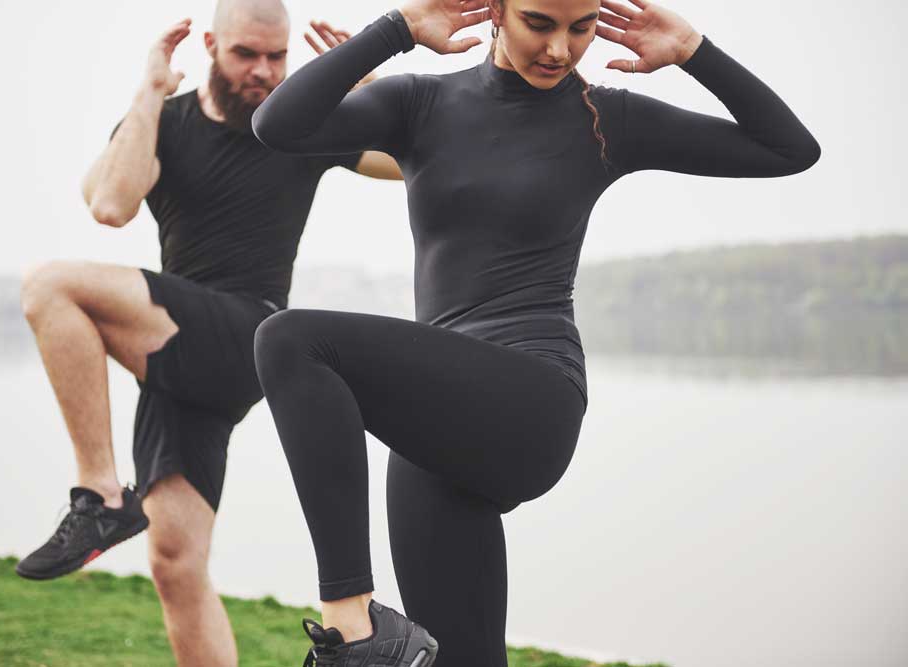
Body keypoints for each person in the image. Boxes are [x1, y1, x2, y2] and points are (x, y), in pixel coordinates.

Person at [250, 0, 820, 665]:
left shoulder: (608, 120)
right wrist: (396, 31)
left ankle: (351, 627)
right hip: (437, 424)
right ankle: (372, 638)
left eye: (580, 28)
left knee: (290, 339)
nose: (559, 49)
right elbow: (276, 125)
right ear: (494, 10)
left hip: (531, 398)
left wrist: (693, 49)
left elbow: (789, 149)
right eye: (540, 23)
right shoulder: (419, 104)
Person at [14, 0, 400, 664]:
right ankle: (112, 503)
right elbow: (109, 202)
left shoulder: (301, 125)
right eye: (247, 53)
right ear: (213, 47)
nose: (264, 70)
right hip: (177, 352)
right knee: (175, 562)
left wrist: (376, 97)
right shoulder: (162, 121)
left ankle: (100, 493)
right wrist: (150, 91)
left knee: (51, 285)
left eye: (277, 56)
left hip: (248, 334)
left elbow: (407, 164)